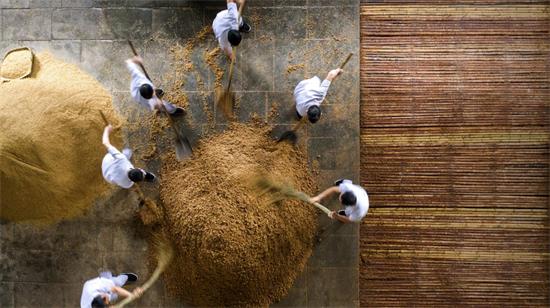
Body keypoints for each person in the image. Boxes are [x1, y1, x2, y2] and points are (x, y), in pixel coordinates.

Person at [101, 124, 155, 189]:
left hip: (107, 167)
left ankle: (147, 176)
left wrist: (107, 129)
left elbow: (105, 142)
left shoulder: (127, 184)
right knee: (128, 153)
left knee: (127, 152)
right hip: (108, 173)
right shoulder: (122, 159)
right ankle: (149, 177)